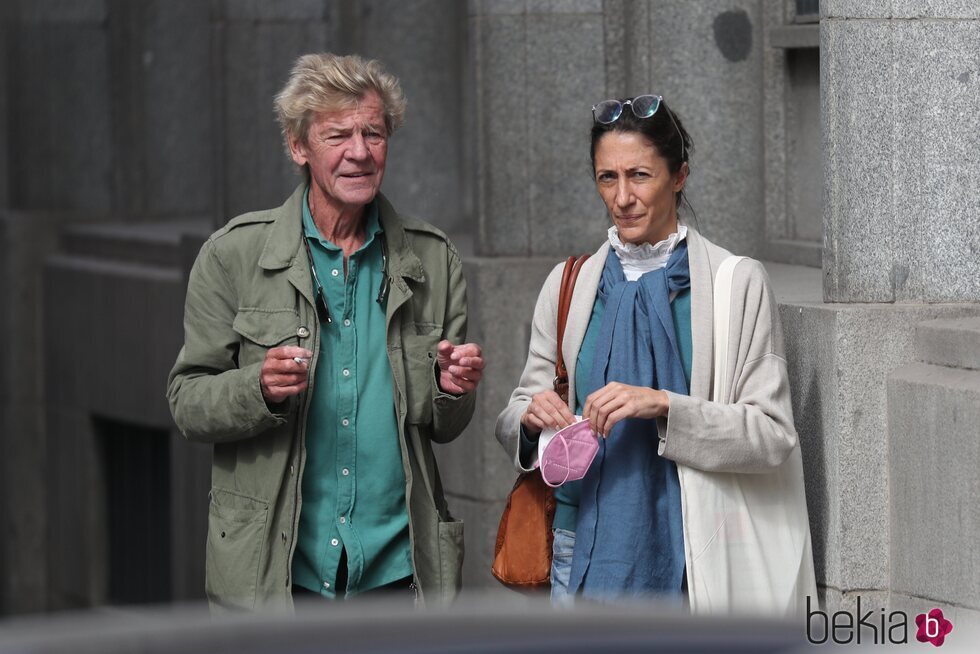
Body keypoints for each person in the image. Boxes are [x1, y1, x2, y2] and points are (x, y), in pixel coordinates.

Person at [167, 53, 484, 611]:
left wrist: (454, 388)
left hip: (398, 570)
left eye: (374, 133)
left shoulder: (433, 259)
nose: (359, 152)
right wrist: (256, 389)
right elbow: (187, 401)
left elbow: (444, 426)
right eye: (338, 135)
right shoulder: (233, 255)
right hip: (278, 574)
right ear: (299, 146)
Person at [495, 95, 815, 611]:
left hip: (696, 556)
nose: (622, 197)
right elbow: (514, 413)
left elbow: (772, 436)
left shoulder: (737, 285)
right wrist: (532, 420)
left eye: (640, 175)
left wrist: (665, 405)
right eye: (607, 178)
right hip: (578, 558)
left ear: (679, 175)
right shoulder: (569, 285)